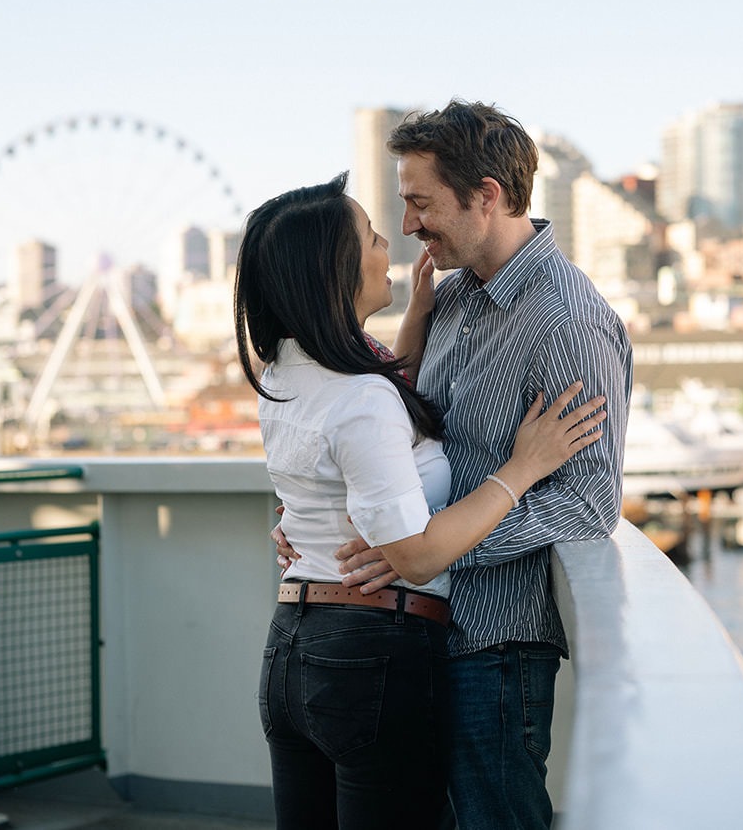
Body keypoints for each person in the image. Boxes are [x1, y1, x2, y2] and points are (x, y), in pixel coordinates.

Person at [235, 172, 607, 830]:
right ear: (334, 270)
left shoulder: (285, 372)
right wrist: (523, 467)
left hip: (292, 647)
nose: (394, 241)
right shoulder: (361, 400)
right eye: (374, 235)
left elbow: (362, 431)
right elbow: (414, 553)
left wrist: (416, 318)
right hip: (368, 654)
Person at [315, 100, 634, 830]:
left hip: (496, 648)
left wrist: (429, 550)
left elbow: (590, 503)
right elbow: (399, 435)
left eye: (421, 202)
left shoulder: (569, 323)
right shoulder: (451, 298)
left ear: (486, 195)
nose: (408, 226)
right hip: (427, 627)